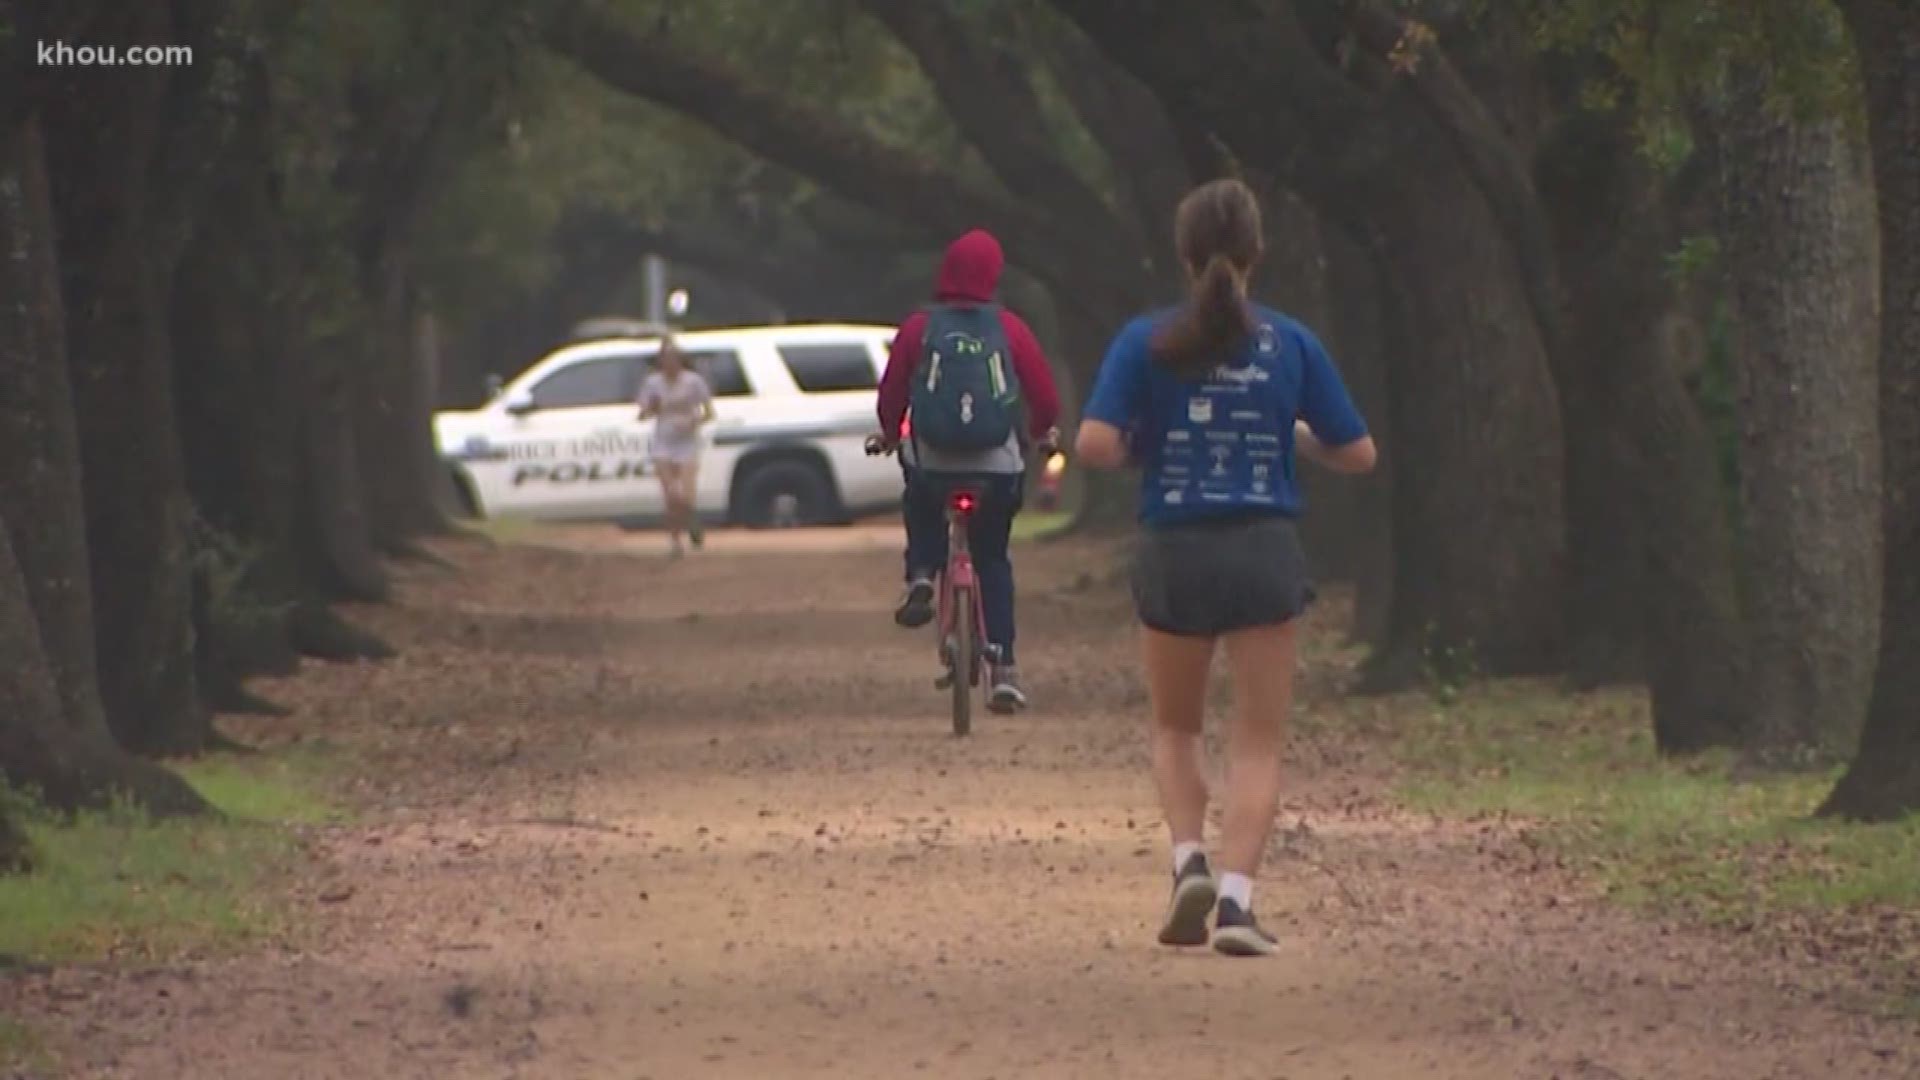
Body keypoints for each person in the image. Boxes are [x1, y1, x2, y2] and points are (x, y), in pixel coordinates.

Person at [1075, 179, 1377, 957]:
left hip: (1175, 548)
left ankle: (1188, 864)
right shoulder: (1290, 343)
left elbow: (1095, 445)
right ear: (1257, 253)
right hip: (1261, 548)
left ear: (1182, 255)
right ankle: (1238, 906)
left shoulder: (1145, 341)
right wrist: (1294, 439)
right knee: (1258, 740)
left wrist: (1157, 446)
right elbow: (1359, 452)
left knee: (1177, 728)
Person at [874, 229, 1060, 712]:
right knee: (992, 556)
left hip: (933, 460)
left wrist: (890, 433)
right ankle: (1004, 668)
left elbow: (893, 391)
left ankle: (920, 573)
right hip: (996, 467)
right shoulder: (1010, 329)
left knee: (920, 496)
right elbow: (1044, 396)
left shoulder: (919, 328)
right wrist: (1043, 432)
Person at [636, 338, 715, 558]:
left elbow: (709, 412)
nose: (670, 364)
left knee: (687, 496)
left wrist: (694, 421)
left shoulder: (694, 382)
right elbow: (642, 414)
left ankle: (691, 521)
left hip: (687, 441)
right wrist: (652, 408)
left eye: (674, 359)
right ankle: (674, 541)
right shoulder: (652, 384)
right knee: (671, 495)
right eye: (665, 360)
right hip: (663, 442)